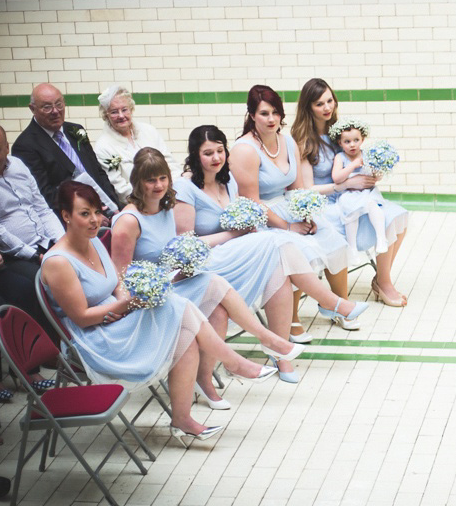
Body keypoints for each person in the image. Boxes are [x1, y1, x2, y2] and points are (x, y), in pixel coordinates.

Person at [41, 181, 277, 445]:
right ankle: (233, 362)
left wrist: (132, 297)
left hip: (116, 318)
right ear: (65, 216)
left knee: (183, 329)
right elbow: (81, 317)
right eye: (85, 214)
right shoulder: (58, 262)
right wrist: (127, 305)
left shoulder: (93, 240)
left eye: (96, 211)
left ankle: (182, 419)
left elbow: (116, 282)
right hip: (94, 340)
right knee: (178, 306)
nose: (95, 220)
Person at [173, 125, 368, 388]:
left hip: (237, 251)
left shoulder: (227, 180)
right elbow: (185, 247)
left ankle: (281, 354)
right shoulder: (185, 188)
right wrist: (233, 234)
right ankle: (331, 303)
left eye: (220, 151)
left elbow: (243, 213)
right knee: (278, 240)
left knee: (279, 269)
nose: (216, 158)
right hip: (208, 262)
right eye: (208, 153)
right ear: (195, 155)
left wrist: (246, 228)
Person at [110, 148, 304, 399]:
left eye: (162, 178)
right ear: (137, 181)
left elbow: (173, 252)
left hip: (172, 283)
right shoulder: (128, 221)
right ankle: (258, 347)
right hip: (147, 299)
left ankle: (206, 379)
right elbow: (120, 277)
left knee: (218, 306)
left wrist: (186, 264)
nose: (158, 185)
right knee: (214, 283)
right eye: (150, 180)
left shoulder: (165, 208)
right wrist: (128, 305)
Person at [228, 85, 353, 343]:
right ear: (252, 115)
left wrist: (307, 216)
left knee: (333, 240)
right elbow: (250, 202)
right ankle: (292, 319)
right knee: (302, 252)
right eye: (264, 113)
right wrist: (287, 227)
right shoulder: (244, 149)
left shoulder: (287, 141)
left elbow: (297, 188)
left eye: (275, 112)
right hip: (262, 216)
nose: (271, 119)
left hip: (288, 205)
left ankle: (338, 305)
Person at [291, 78, 409, 307]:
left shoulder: (342, 133)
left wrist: (373, 174)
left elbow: (357, 160)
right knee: (345, 224)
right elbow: (306, 189)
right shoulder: (304, 141)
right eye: (319, 104)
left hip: (353, 195)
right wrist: (342, 186)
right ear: (308, 108)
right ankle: (341, 297)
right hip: (325, 203)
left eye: (329, 101)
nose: (327, 108)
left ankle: (382, 280)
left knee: (395, 215)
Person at [0, 123, 62, 400]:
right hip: (11, 252)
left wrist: (60, 243)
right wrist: (34, 254)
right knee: (32, 283)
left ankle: (62, 348)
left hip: (42, 242)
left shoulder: (18, 165)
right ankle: (29, 367)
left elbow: (41, 207)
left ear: (7, 149)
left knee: (67, 268)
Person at [11, 83, 120, 216]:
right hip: (73, 217)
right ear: (32, 109)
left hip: (106, 207)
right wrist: (90, 213)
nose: (55, 111)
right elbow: (44, 195)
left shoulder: (75, 130)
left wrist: (114, 204)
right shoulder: (25, 146)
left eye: (59, 104)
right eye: (47, 107)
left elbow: (98, 172)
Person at [93, 85, 179, 201]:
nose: (121, 116)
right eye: (114, 112)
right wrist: (150, 200)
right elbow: (119, 188)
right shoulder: (102, 147)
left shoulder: (149, 131)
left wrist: (170, 193)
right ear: (106, 115)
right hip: (137, 205)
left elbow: (171, 165)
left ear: (131, 109)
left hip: (167, 198)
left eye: (124, 109)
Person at [328, 118, 389, 259]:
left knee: (374, 207)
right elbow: (336, 178)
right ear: (340, 143)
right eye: (347, 142)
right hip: (349, 194)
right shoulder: (340, 157)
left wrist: (378, 173)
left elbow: (375, 174)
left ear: (362, 139)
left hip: (367, 192)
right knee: (351, 214)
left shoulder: (367, 154)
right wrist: (353, 165)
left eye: (356, 140)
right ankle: (352, 247)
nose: (352, 145)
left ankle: (381, 239)